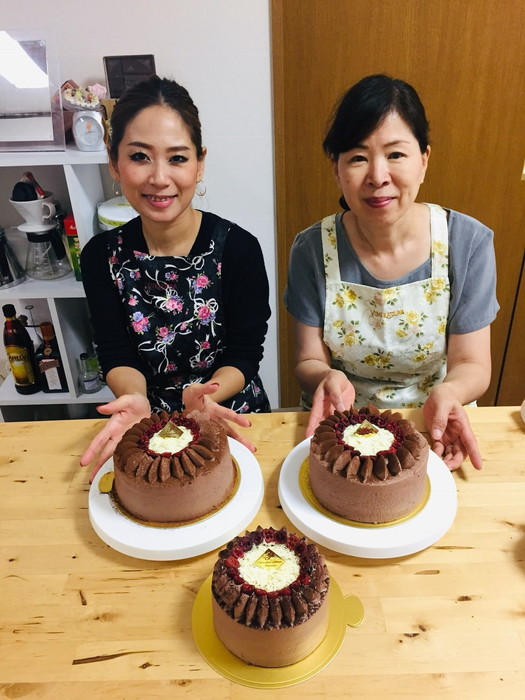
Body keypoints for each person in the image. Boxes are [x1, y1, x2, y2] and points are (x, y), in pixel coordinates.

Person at [284, 74, 499, 471]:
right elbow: (307, 359)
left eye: (396, 155)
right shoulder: (312, 249)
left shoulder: (466, 242)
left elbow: (473, 363)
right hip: (341, 429)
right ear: (337, 169)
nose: (378, 176)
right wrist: (325, 377)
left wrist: (450, 391)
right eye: (358, 157)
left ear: (424, 160)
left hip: (436, 422)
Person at [80, 76, 271, 479]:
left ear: (200, 163)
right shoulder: (101, 256)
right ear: (115, 163)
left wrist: (207, 396)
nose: (160, 178)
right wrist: (134, 398)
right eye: (140, 157)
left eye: (178, 158)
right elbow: (116, 353)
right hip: (144, 425)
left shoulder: (239, 248)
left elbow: (245, 351)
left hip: (226, 412)